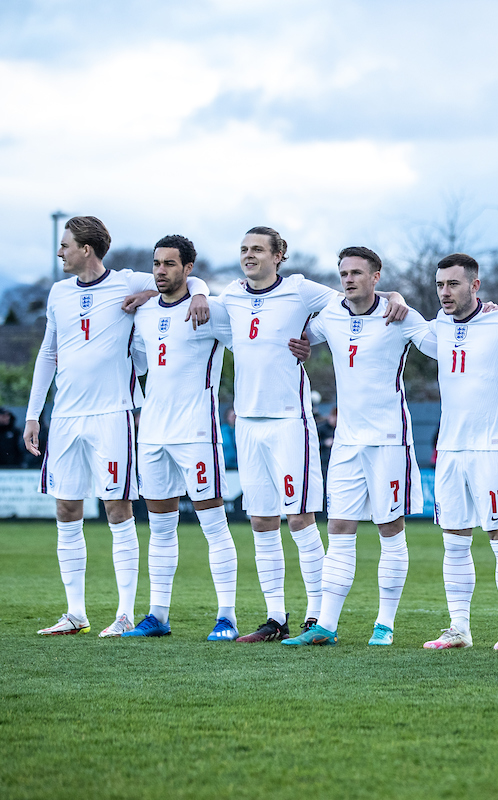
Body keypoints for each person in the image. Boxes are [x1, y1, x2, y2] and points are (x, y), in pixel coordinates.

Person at [209, 225, 408, 643]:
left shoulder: (302, 291)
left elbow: (356, 298)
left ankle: (316, 616)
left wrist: (396, 296)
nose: (249, 255)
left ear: (279, 255)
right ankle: (276, 618)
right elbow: (195, 294)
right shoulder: (230, 295)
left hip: (289, 421)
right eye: (244, 248)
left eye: (258, 249)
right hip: (246, 421)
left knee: (300, 518)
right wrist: (194, 290)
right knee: (261, 520)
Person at [25, 216, 209, 637]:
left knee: (117, 508)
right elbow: (47, 354)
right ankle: (75, 613)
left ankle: (125, 613)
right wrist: (35, 414)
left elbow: (189, 281)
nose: (60, 252)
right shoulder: (58, 293)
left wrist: (190, 296)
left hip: (115, 414)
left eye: (65, 244)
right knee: (66, 508)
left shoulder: (128, 281)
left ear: (86, 249)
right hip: (67, 417)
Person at [280, 247, 428, 647]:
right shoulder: (330, 315)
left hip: (389, 441)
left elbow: (439, 345)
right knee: (340, 528)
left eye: (357, 273)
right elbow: (301, 336)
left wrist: (402, 299)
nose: (348, 279)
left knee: (389, 530)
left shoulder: (399, 315)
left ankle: (385, 624)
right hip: (346, 443)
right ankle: (325, 625)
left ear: (376, 277)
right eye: (343, 272)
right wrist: (303, 346)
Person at [123, 235, 239, 641]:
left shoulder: (210, 309)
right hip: (152, 432)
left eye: (170, 264)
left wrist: (203, 292)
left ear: (188, 269)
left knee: (213, 524)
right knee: (160, 527)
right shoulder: (144, 312)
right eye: (156, 263)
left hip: (196, 432)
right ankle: (157, 615)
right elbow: (138, 360)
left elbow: (245, 351)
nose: (160, 271)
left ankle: (227, 616)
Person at [418, 253, 498, 652]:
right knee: (454, 541)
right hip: (449, 449)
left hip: (494, 448)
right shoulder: (437, 327)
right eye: (440, 285)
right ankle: (458, 628)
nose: (445, 293)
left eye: (453, 284)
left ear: (475, 286)